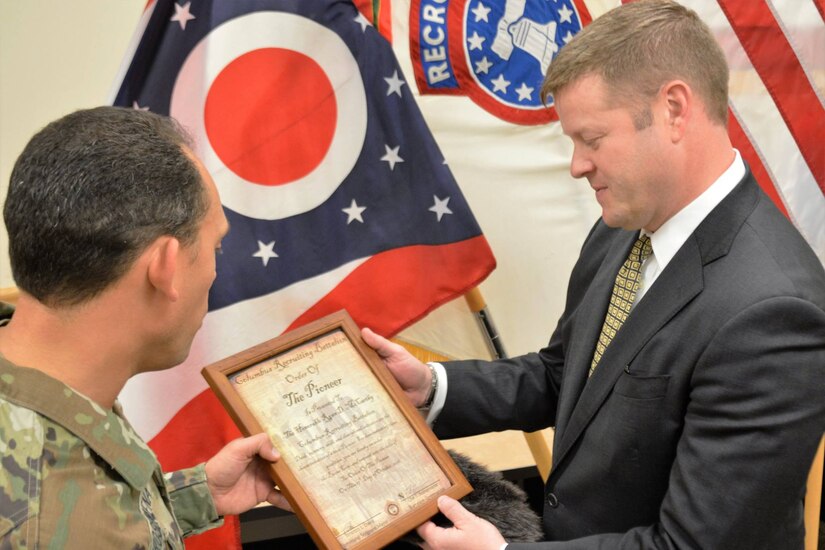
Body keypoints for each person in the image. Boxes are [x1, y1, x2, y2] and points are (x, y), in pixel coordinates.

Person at [362, 1, 825, 548]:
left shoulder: (773, 313)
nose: (578, 164)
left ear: (675, 109)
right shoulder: (628, 224)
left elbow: (692, 545)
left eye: (592, 139)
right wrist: (432, 387)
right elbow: (570, 377)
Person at [0, 106, 289, 547]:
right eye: (216, 246)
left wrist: (197, 495)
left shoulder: (38, 378)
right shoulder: (69, 523)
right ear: (165, 267)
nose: (214, 271)